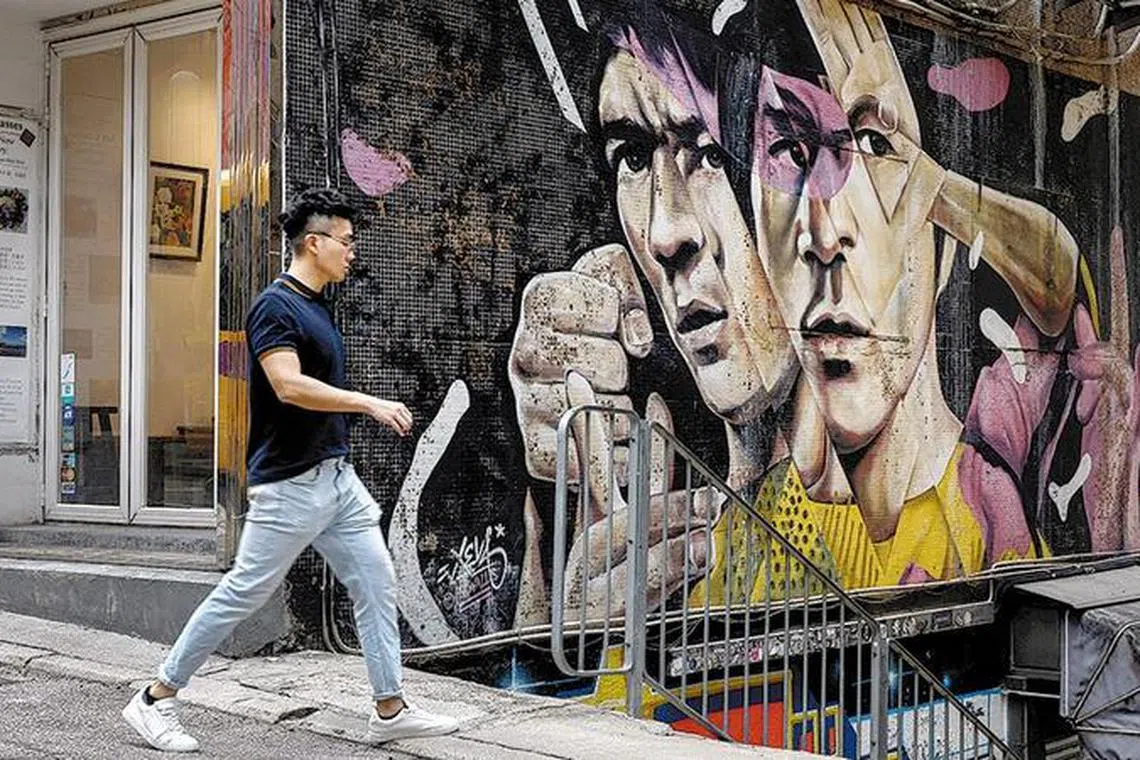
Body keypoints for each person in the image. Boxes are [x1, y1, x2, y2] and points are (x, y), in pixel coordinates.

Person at [122, 188, 460, 752]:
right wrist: (367, 403)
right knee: (244, 592)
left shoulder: (318, 303)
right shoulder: (275, 306)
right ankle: (155, 698)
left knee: (377, 583)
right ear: (314, 243)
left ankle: (390, 707)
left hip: (336, 481)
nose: (353, 253)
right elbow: (287, 384)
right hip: (290, 485)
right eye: (346, 242)